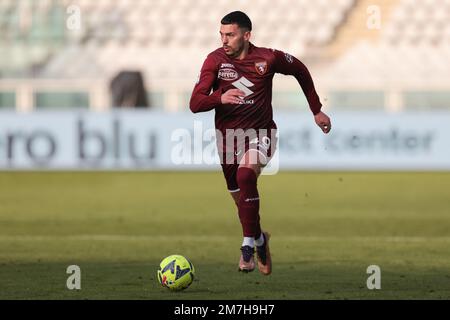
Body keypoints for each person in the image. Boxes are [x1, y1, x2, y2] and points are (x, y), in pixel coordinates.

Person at [189, 11, 331, 275]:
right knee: (241, 202)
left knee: (246, 175)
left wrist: (316, 110)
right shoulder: (214, 61)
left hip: (262, 134)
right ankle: (259, 239)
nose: (224, 40)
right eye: (221, 34)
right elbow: (195, 103)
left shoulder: (267, 58)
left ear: (246, 35)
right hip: (228, 140)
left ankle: (246, 248)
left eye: (229, 35)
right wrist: (219, 98)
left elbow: (299, 69)